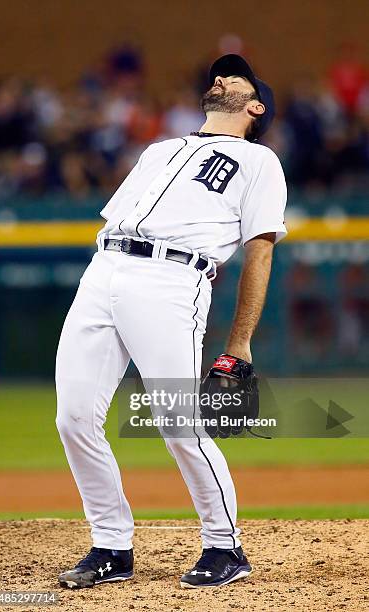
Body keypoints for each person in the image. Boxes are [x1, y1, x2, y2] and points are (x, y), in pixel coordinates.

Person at [56, 54, 287, 589]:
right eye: (220, 72)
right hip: (105, 268)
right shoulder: (161, 150)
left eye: (236, 75)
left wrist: (240, 343)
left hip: (172, 279)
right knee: (73, 419)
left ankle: (225, 547)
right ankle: (112, 545)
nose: (221, 76)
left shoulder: (259, 162)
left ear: (255, 105)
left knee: (178, 420)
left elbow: (259, 253)